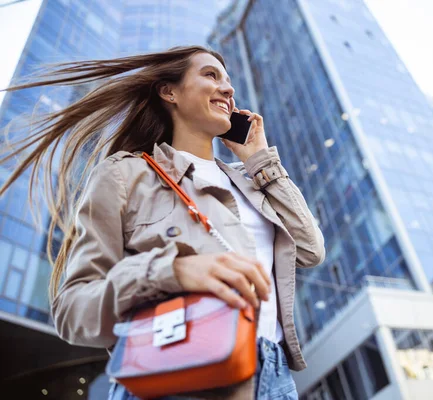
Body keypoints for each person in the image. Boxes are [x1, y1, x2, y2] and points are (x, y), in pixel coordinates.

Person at [0, 45, 326, 399]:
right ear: (169, 92)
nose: (228, 89)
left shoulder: (250, 182)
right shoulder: (126, 174)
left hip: (274, 377)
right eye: (210, 75)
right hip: (180, 373)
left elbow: (311, 250)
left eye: (229, 81)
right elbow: (73, 311)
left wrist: (260, 161)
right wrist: (173, 271)